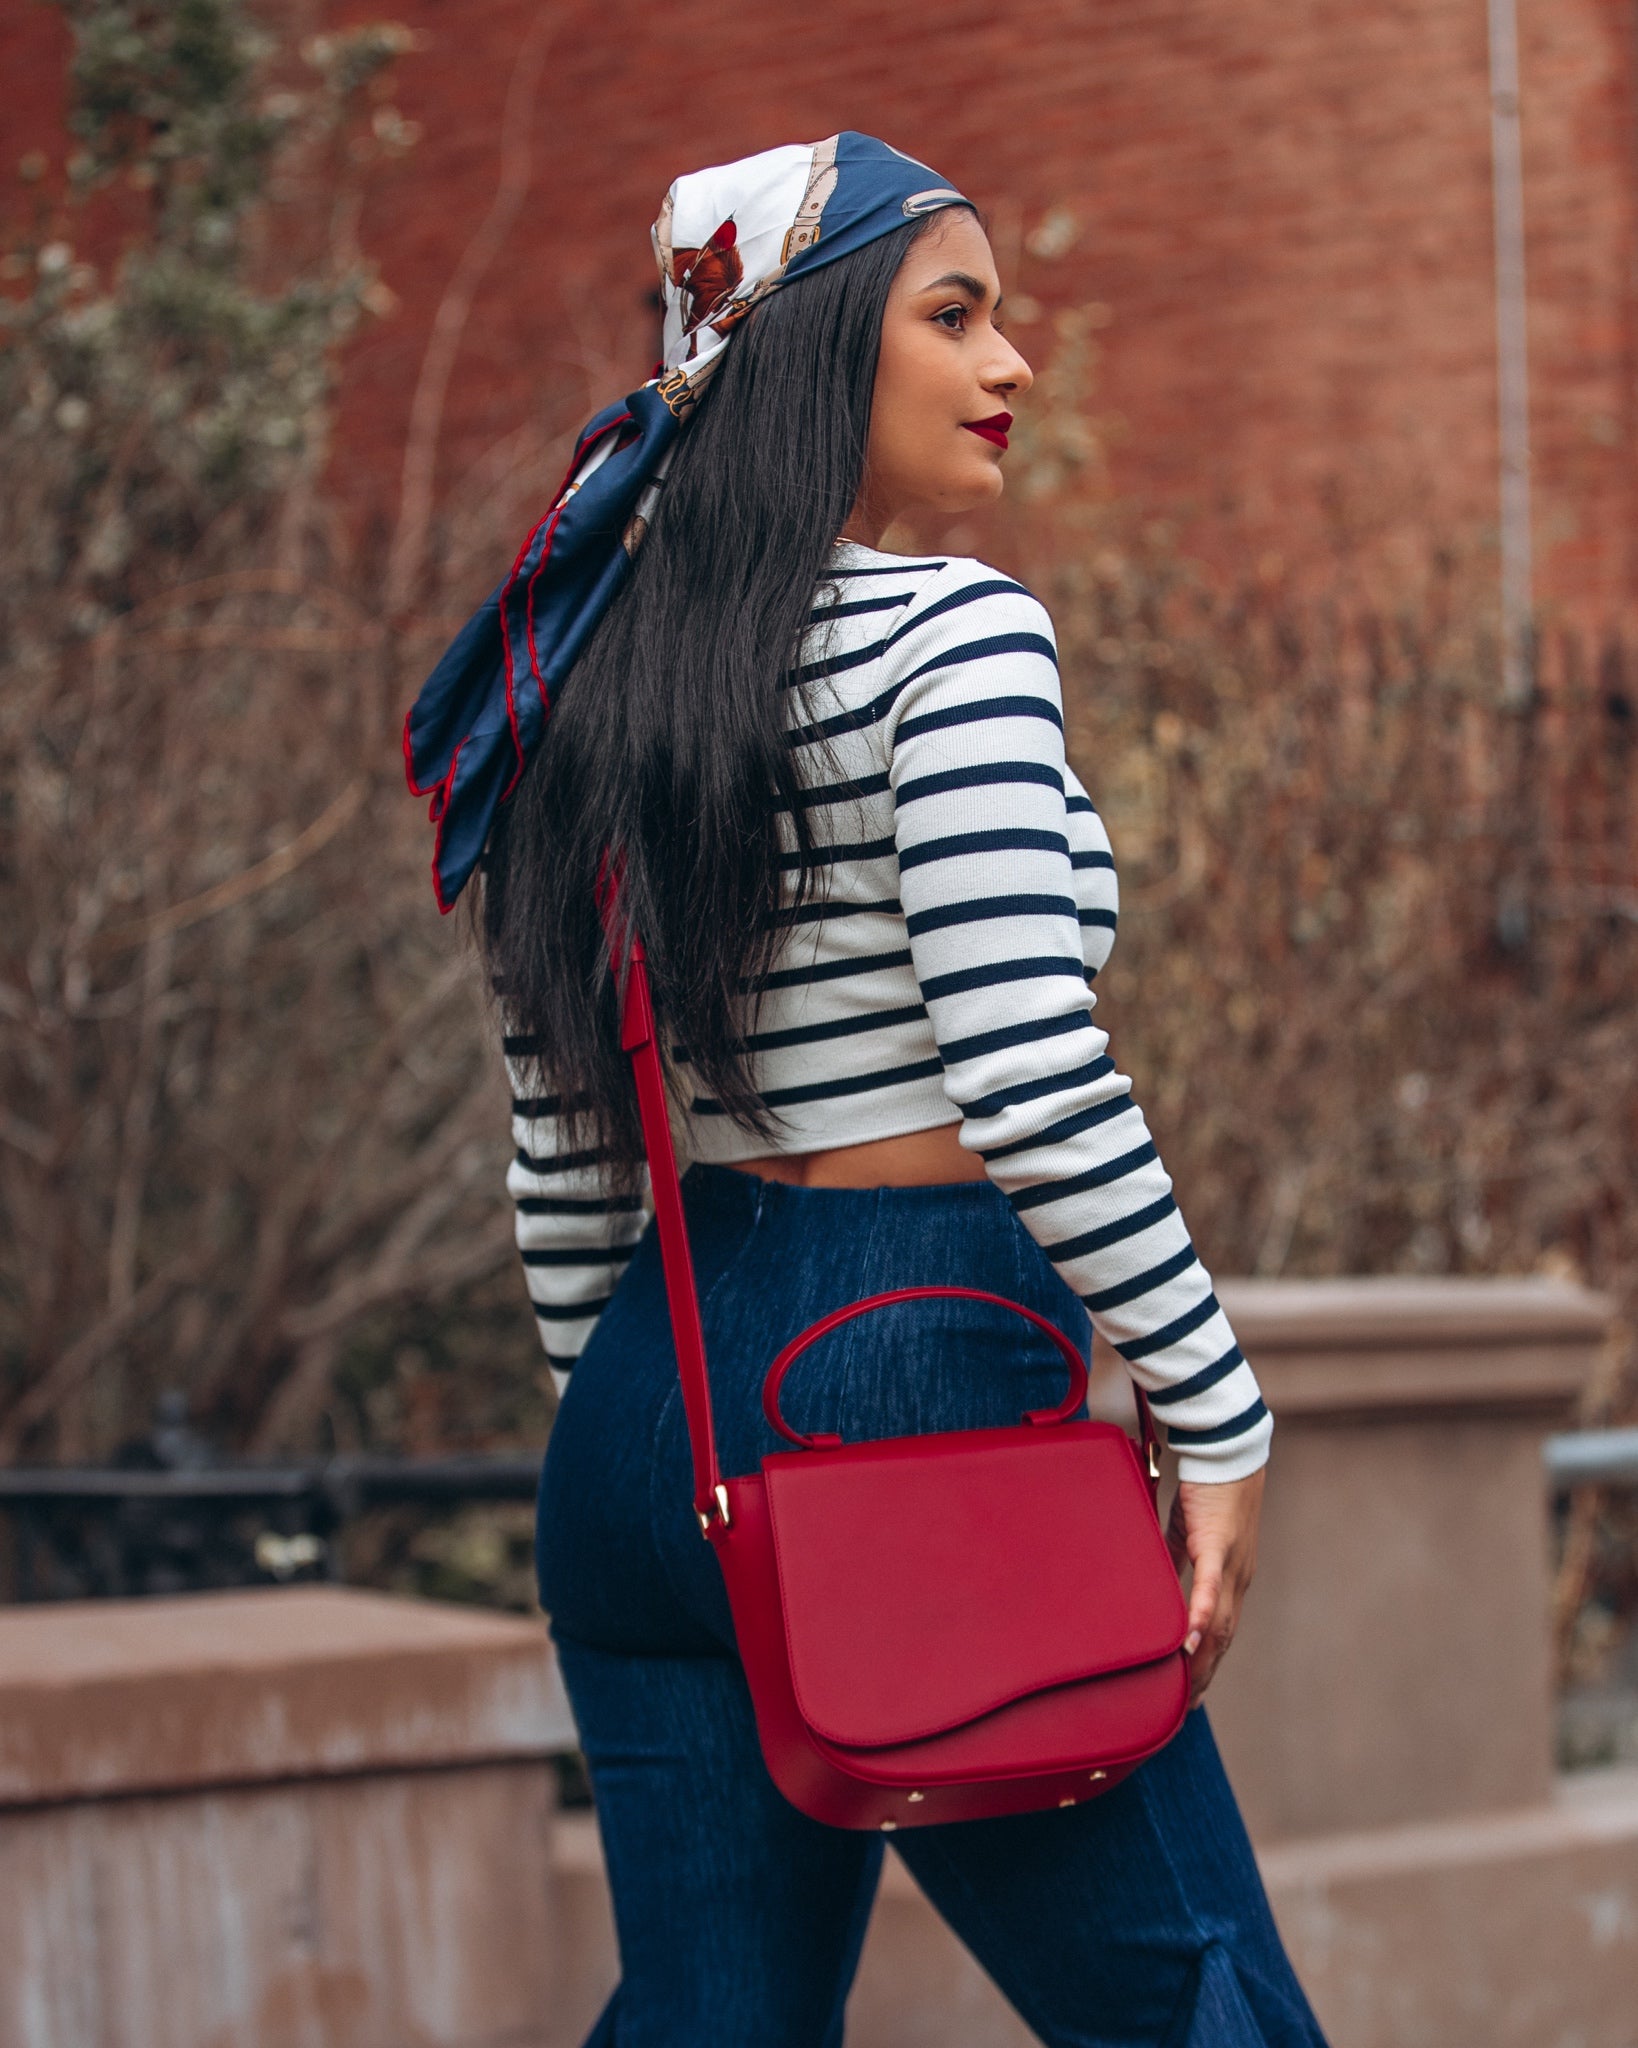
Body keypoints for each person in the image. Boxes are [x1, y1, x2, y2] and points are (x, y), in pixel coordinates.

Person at [407, 134, 1328, 2048]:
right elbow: (1026, 1068)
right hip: (909, 1363)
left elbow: (560, 1135)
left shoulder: (579, 686)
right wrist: (1212, 1407)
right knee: (1200, 2011)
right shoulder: (954, 633)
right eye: (955, 312)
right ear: (823, 349)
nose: (1013, 365)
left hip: (649, 1422)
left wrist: (669, 1439)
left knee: (709, 2025)